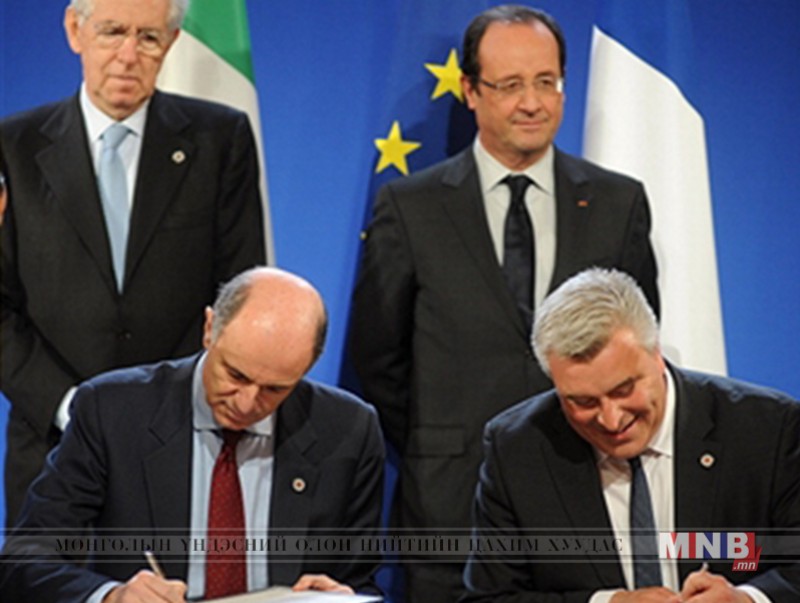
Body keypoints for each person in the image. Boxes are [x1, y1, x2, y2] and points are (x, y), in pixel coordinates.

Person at [348, 5, 659, 600]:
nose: (532, 103)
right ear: (470, 91)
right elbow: (378, 358)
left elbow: (639, 344)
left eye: (547, 81)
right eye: (510, 85)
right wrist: (442, 437)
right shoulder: (410, 207)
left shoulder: (618, 204)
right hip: (447, 509)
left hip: (587, 504)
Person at [0, 0, 266, 527]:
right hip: (49, 446)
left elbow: (236, 296)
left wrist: (176, 404)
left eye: (147, 37)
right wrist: (69, 405)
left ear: (171, 42)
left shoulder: (220, 140)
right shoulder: (12, 146)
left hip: (178, 443)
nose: (128, 55)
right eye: (112, 32)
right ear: (75, 30)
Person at [0, 267, 385, 602]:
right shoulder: (113, 411)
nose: (247, 403)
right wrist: (111, 595)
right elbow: (26, 555)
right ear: (209, 329)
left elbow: (358, 579)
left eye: (275, 389)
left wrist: (339, 595)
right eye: (235, 375)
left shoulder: (348, 429)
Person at [462, 267, 800, 602]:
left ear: (657, 355)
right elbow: (490, 598)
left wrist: (747, 599)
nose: (611, 420)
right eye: (583, 402)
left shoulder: (766, 429)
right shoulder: (517, 449)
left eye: (623, 389)